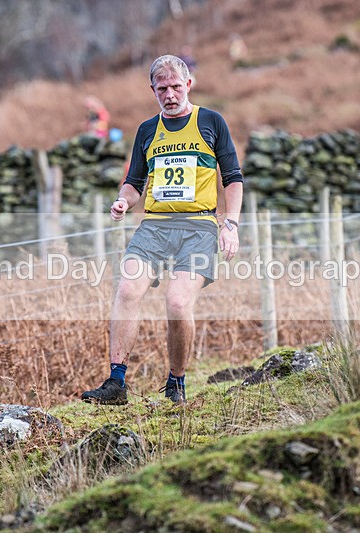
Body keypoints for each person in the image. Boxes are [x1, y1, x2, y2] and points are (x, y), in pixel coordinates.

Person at [81, 54, 244, 406]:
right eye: (161, 88)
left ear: (188, 85)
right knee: (126, 290)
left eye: (175, 86)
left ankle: (176, 382)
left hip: (199, 225)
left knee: (176, 301)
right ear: (152, 90)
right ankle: (116, 382)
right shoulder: (146, 130)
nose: (169, 94)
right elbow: (133, 183)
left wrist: (230, 224)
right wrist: (124, 201)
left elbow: (232, 178)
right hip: (154, 225)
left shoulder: (211, 121)